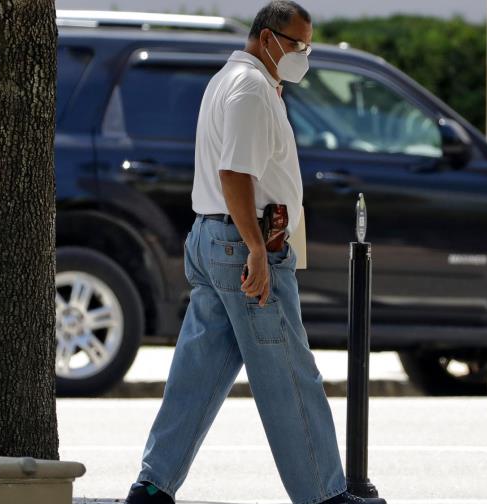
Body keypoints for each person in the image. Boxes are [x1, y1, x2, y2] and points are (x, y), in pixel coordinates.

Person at [125, 2, 364, 503]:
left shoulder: (229, 80)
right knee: (290, 375)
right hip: (245, 245)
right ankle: (324, 495)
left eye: (307, 45)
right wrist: (256, 249)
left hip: (214, 239)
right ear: (267, 38)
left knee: (198, 373)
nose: (303, 54)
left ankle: (152, 486)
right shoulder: (252, 89)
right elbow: (235, 175)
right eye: (297, 44)